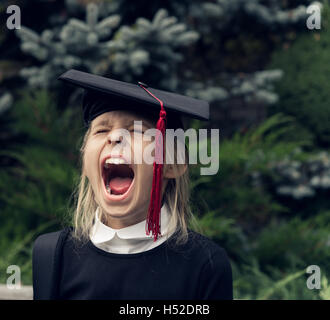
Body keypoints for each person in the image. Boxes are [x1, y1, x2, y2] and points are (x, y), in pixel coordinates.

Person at [32, 69, 233, 300]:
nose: (115, 137)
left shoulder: (205, 265)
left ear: (172, 164)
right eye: (102, 129)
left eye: (136, 130)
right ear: (85, 162)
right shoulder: (52, 256)